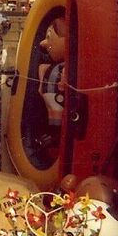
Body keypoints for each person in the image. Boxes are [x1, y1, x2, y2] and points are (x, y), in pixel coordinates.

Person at [38, 16, 66, 147]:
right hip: (50, 98)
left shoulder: (65, 67)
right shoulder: (51, 66)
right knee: (52, 113)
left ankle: (55, 135)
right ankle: (53, 134)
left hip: (58, 98)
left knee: (57, 114)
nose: (43, 44)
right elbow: (42, 68)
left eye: (49, 38)